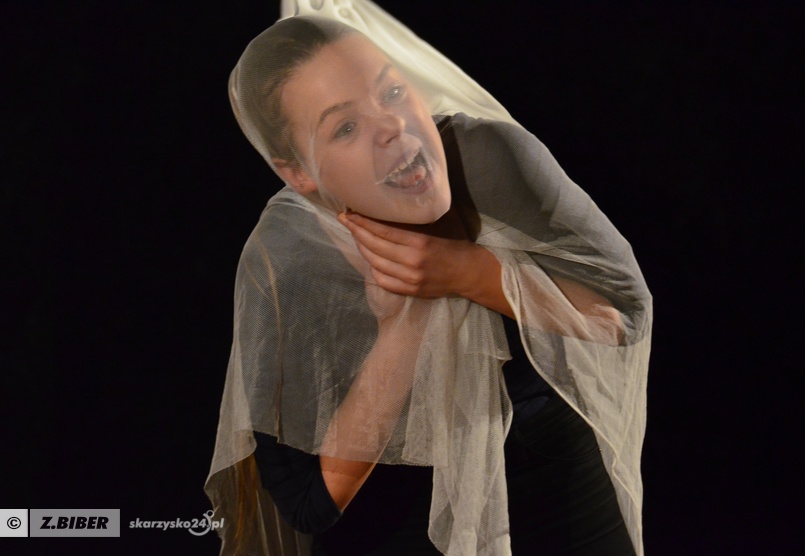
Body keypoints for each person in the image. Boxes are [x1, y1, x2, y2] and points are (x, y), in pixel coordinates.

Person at [206, 4, 652, 556]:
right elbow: (309, 503)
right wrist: (407, 318)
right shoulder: (285, 260)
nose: (393, 127)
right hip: (402, 527)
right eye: (346, 127)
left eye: (392, 93)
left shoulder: (488, 158)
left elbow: (626, 312)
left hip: (567, 496)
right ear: (296, 171)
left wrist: (467, 270)